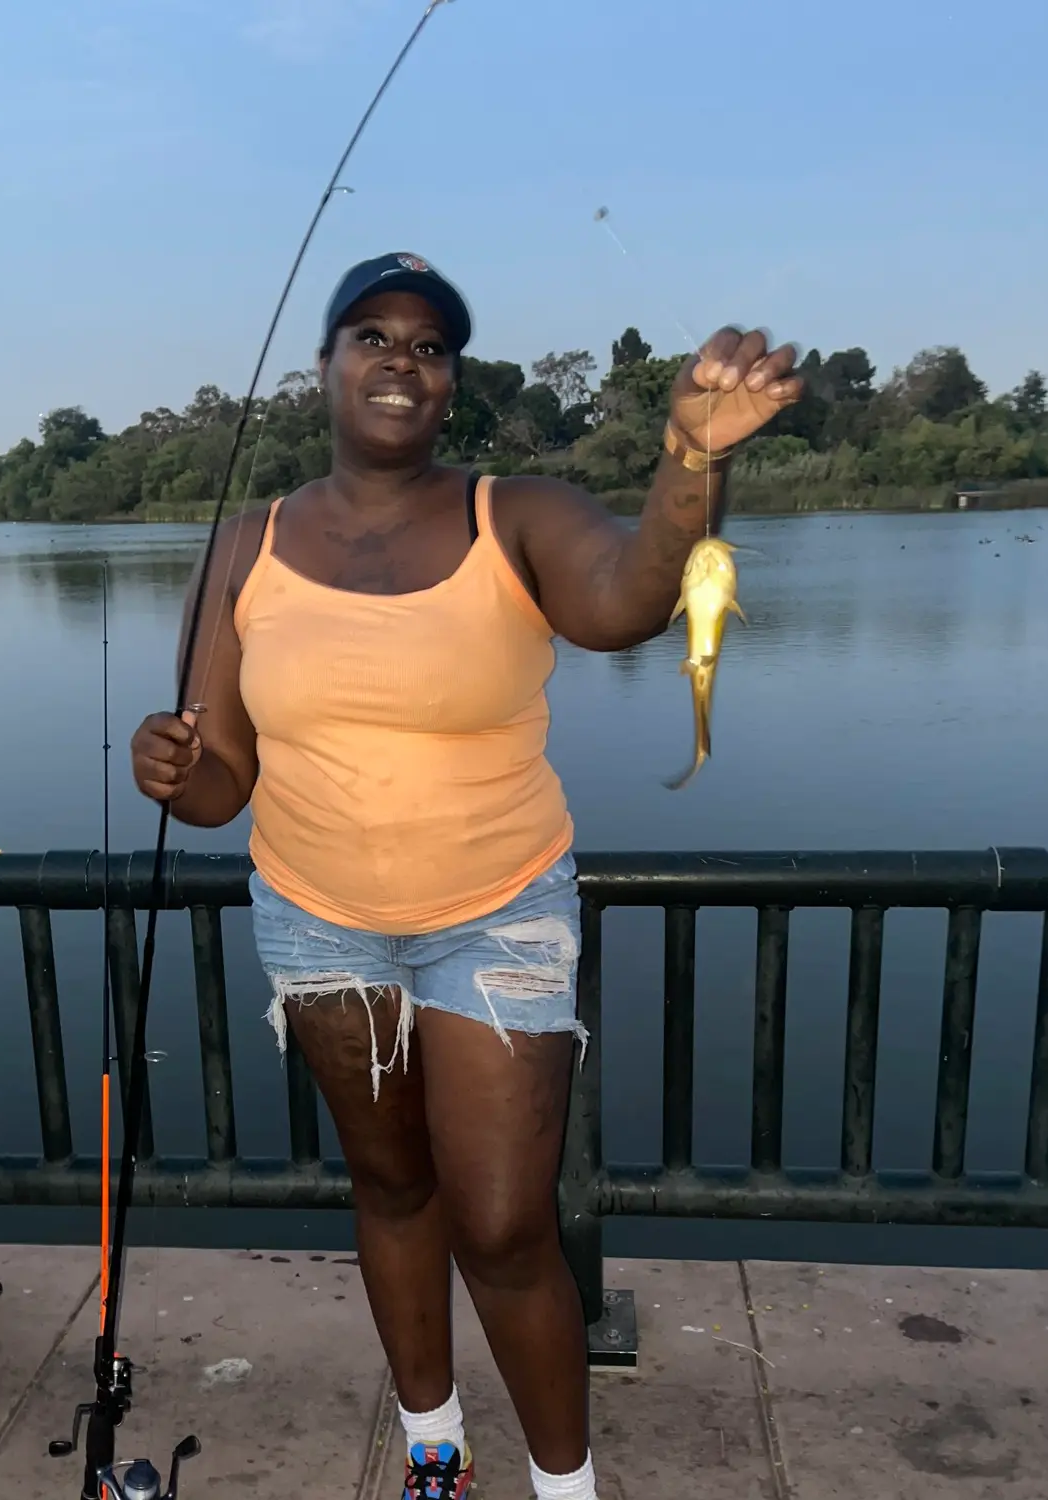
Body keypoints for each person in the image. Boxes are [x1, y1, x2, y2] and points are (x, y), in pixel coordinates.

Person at [130, 251, 801, 1500]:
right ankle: (435, 1446)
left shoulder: (520, 512)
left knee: (501, 1222)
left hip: (494, 919)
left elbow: (628, 604)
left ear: (453, 384)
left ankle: (567, 1487)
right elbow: (224, 782)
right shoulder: (243, 546)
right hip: (317, 923)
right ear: (325, 366)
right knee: (392, 1189)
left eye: (430, 346)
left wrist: (692, 459)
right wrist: (168, 768)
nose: (402, 360)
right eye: (373, 336)